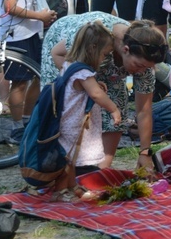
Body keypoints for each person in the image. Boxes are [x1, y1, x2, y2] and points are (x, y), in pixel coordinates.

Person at [41, 12, 167, 169]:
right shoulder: (97, 38)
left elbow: (144, 110)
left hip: (101, 66)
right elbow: (57, 53)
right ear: (125, 50)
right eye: (139, 66)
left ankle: (99, 168)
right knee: (69, 108)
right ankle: (57, 164)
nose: (142, 72)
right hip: (67, 53)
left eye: (147, 68)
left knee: (117, 109)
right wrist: (84, 80)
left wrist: (145, 152)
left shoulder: (144, 60)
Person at [0, 0, 57, 145]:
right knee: (20, 82)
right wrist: (39, 17)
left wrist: (41, 16)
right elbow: (10, 7)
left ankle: (26, 120)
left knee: (35, 76)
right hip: (17, 34)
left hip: (30, 31)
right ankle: (16, 128)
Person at [52, 21, 122, 202]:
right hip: (73, 124)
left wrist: (94, 84)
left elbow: (82, 88)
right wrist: (114, 109)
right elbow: (97, 94)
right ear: (93, 48)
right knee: (69, 161)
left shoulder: (70, 65)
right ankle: (60, 191)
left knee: (71, 159)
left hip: (67, 121)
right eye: (104, 54)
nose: (103, 59)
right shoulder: (84, 72)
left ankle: (72, 186)